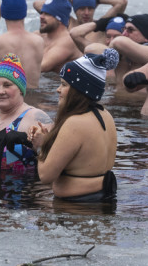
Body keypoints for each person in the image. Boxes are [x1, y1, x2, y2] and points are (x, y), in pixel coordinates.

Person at [29, 48, 119, 202]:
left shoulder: (75, 123)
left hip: (76, 209)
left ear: (79, 90)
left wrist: (41, 146)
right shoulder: (106, 115)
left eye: (64, 84)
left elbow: (45, 176)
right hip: (103, 201)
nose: (58, 90)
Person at [38, 0, 82, 73]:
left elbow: (41, 67)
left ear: (59, 19)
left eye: (47, 14)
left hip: (59, 83)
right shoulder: (41, 36)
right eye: (42, 13)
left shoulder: (68, 41)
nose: (41, 16)